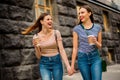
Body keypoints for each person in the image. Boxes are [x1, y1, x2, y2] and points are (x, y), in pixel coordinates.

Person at [22, 13, 72, 80]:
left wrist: (68, 66)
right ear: (41, 21)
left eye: (51, 19)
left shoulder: (56, 33)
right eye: (48, 19)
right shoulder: (36, 37)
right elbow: (39, 56)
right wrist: (36, 47)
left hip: (56, 62)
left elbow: (62, 50)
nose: (50, 21)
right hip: (44, 63)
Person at [71, 5, 102, 80]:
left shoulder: (98, 27)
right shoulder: (76, 29)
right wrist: (72, 66)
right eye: (79, 13)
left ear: (89, 13)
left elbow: (100, 46)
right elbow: (75, 48)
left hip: (95, 58)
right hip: (82, 59)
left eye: (82, 12)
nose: (80, 15)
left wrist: (95, 41)